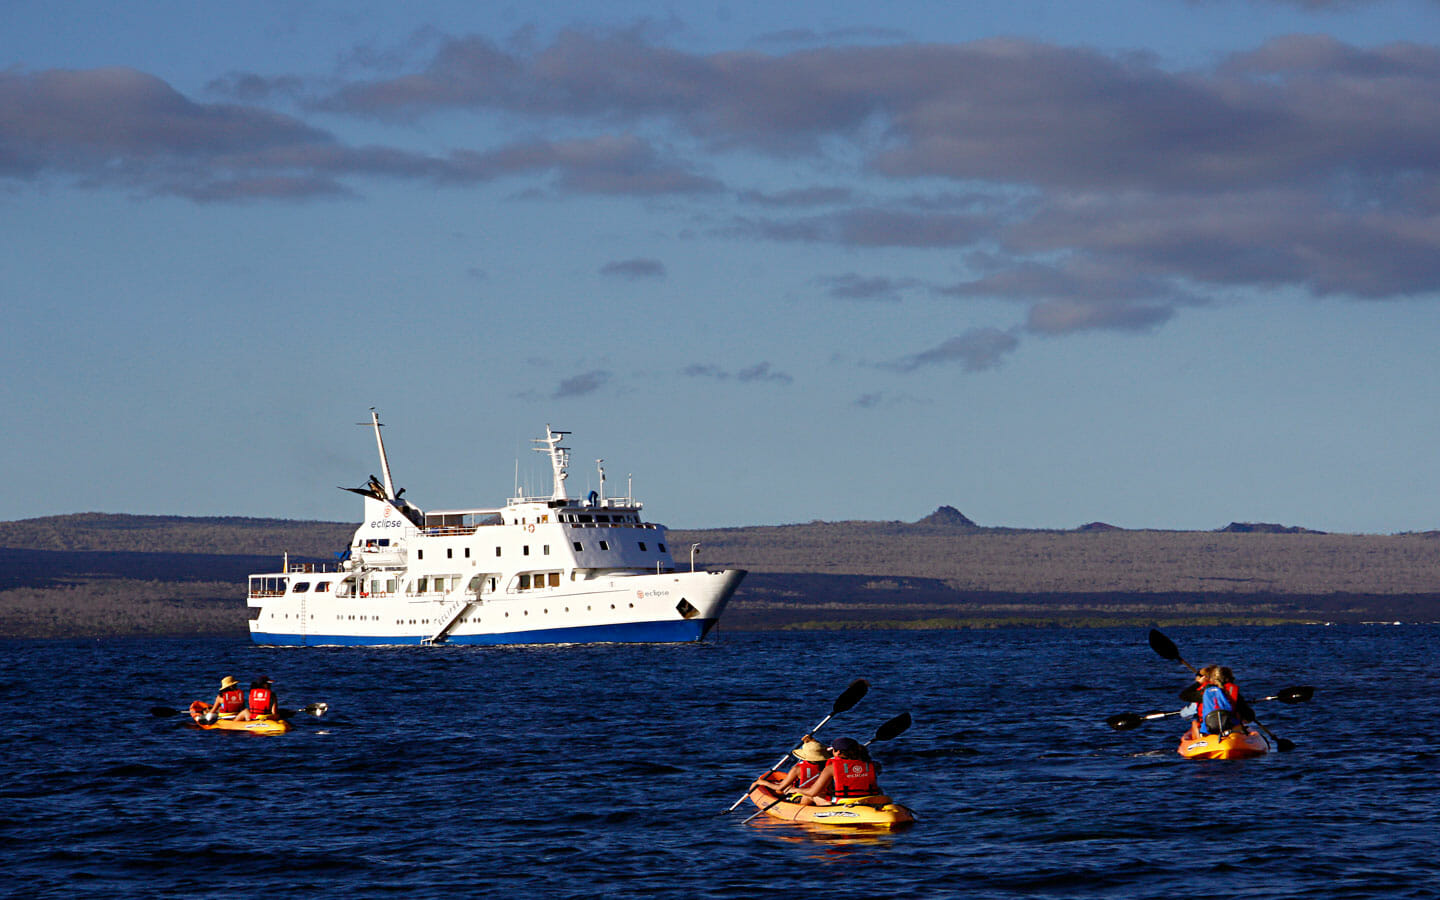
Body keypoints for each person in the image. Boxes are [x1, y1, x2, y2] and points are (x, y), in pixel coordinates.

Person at [797, 737, 883, 807]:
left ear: (838, 752)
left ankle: (802, 818)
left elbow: (813, 792)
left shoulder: (831, 768)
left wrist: (794, 789)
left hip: (844, 803)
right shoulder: (875, 765)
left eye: (833, 750)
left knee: (810, 795)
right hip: (871, 800)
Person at [753, 737, 830, 796]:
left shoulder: (797, 769)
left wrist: (764, 782)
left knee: (779, 791)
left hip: (804, 795)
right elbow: (821, 749)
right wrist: (812, 740)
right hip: (824, 793)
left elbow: (780, 788)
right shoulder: (828, 764)